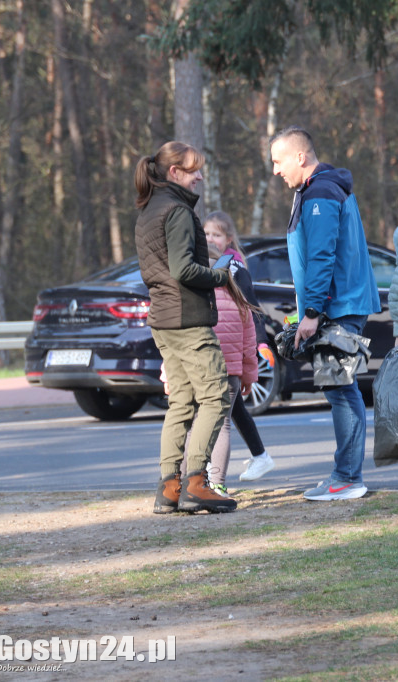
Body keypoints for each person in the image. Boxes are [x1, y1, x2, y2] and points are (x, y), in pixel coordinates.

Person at [269, 126, 381, 501]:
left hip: (338, 308)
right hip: (340, 305)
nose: (275, 170)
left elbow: (321, 255)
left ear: (300, 157)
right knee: (340, 388)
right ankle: (346, 475)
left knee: (340, 389)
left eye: (278, 161)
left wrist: (313, 311)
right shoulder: (319, 189)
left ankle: (347, 478)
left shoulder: (320, 192)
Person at [134, 141, 236, 514]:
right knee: (215, 397)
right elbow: (183, 270)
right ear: (175, 173)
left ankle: (169, 488)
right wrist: (221, 276)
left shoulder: (148, 209)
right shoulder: (176, 211)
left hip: (163, 320)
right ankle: (196, 482)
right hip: (187, 319)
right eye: (194, 170)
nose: (200, 177)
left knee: (180, 401)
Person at [203, 211, 276, 481]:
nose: (211, 238)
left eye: (217, 235)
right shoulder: (207, 266)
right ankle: (260, 456)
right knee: (232, 409)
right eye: (207, 233)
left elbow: (251, 309)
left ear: (228, 239)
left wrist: (260, 343)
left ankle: (214, 477)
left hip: (228, 350)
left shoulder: (234, 269)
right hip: (218, 348)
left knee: (221, 416)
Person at [202, 245, 259, 496]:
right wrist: (249, 376)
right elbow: (249, 346)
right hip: (231, 375)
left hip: (201, 372)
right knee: (223, 425)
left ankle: (192, 479)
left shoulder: (198, 300)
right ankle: (218, 483)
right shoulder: (238, 300)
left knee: (196, 425)